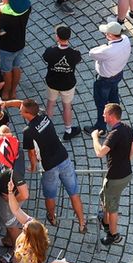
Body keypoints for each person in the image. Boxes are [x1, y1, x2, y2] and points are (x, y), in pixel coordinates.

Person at [19, 99, 87, 231]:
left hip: (49, 166)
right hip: (63, 158)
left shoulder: (28, 131)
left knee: (50, 195)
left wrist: (33, 167)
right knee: (73, 193)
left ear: (27, 113)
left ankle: (52, 217)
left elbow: (31, 153)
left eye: (21, 109)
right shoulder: (45, 117)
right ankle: (82, 222)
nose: (19, 110)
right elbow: (27, 105)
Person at [91, 102, 133, 245]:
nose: (103, 115)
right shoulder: (127, 128)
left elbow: (99, 152)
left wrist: (94, 137)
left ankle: (113, 235)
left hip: (115, 178)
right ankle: (105, 221)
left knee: (112, 208)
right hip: (125, 174)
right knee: (104, 197)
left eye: (105, 113)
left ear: (111, 116)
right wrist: (123, 163)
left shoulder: (114, 135)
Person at [88, 21, 132, 134]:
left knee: (101, 103)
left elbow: (92, 53)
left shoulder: (107, 50)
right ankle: (116, 120)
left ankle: (100, 128)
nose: (105, 35)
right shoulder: (126, 39)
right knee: (114, 97)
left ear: (112, 35)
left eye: (106, 34)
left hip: (104, 80)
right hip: (118, 75)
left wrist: (104, 45)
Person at [42, 25, 83, 139]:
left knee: (50, 104)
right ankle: (68, 131)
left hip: (52, 83)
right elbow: (78, 60)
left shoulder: (50, 51)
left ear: (57, 37)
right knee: (67, 106)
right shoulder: (74, 54)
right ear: (69, 38)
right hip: (68, 84)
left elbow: (45, 58)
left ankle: (46, 130)